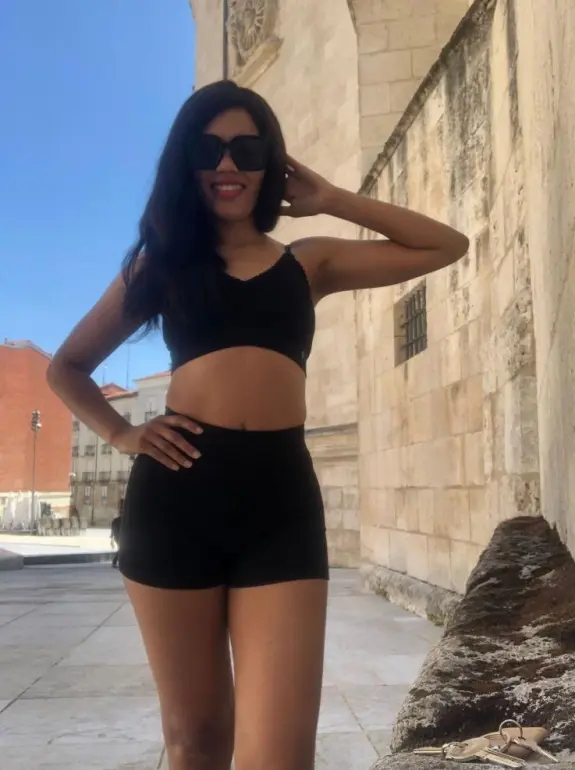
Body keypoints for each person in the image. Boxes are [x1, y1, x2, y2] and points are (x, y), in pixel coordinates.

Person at [47, 80, 469, 770]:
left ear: (271, 164)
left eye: (246, 150)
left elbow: (444, 245)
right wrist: (123, 435)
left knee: (281, 755)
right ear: (185, 164)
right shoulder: (161, 266)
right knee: (197, 740)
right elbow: (67, 367)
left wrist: (332, 198)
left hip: (280, 502)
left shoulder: (310, 262)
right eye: (208, 150)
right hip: (176, 497)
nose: (227, 165)